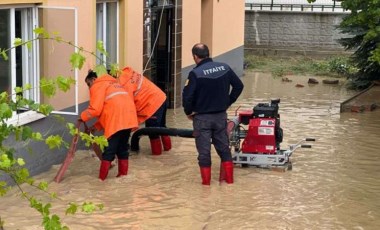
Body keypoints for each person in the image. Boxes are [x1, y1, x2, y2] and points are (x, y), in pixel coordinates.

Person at [182, 43, 244, 185]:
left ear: (195, 56)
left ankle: (206, 187)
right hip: (220, 117)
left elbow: (187, 97)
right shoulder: (224, 67)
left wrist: (188, 112)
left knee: (204, 153)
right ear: (208, 54)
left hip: (202, 118)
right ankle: (229, 183)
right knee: (224, 150)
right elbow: (239, 86)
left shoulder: (195, 73)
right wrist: (228, 102)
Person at [80, 70, 138, 181]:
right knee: (122, 149)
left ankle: (101, 181)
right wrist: (96, 127)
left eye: (88, 84)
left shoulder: (97, 85)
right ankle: (123, 177)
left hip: (118, 120)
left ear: (93, 79)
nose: (89, 88)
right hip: (129, 118)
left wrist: (82, 117)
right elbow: (109, 109)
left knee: (109, 151)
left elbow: (95, 110)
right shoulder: (114, 83)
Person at [117, 66, 171, 155]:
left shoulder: (124, 86)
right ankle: (168, 152)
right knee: (162, 127)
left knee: (152, 132)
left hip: (153, 105)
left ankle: (157, 158)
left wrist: (131, 127)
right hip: (161, 97)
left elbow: (129, 108)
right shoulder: (129, 73)